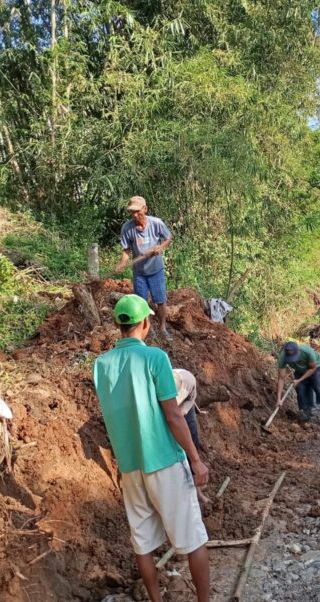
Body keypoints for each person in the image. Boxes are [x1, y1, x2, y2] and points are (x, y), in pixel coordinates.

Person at [93, 295, 209, 602]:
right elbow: (173, 414)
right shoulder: (155, 358)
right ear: (145, 323)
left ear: (119, 325)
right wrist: (196, 460)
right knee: (193, 539)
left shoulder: (101, 365)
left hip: (130, 466)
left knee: (142, 543)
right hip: (165, 461)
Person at [114, 196, 174, 340]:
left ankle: (163, 328)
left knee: (160, 300)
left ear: (145, 209)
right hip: (139, 272)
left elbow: (168, 237)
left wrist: (160, 247)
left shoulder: (156, 223)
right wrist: (122, 263)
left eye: (137, 211)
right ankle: (149, 329)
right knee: (141, 302)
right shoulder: (127, 228)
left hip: (156, 270)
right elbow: (126, 250)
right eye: (132, 212)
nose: (135, 215)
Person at [173, 368, 210, 504]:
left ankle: (197, 489)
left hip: (187, 399)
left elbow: (177, 417)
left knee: (191, 439)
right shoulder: (160, 384)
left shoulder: (186, 387)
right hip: (173, 392)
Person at [276, 341, 320, 420]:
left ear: (298, 351)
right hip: (300, 370)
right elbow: (281, 378)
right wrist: (279, 399)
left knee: (318, 387)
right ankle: (307, 414)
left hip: (316, 367)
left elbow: (312, 368)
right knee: (300, 389)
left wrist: (299, 380)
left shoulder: (307, 352)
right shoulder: (283, 357)